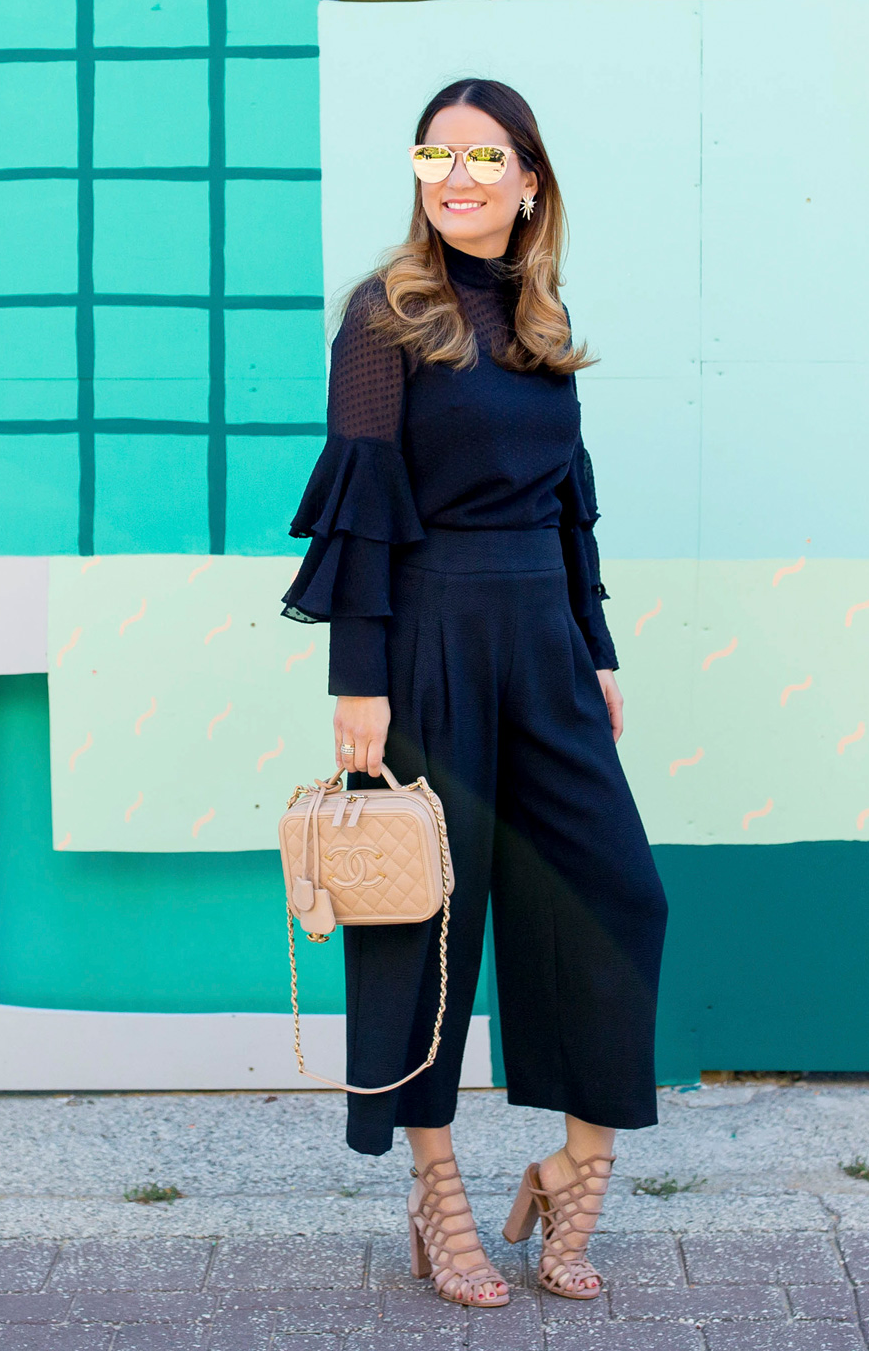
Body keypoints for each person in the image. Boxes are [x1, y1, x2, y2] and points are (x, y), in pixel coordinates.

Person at [281, 77, 669, 1308]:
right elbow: (360, 496)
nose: (456, 177)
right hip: (427, 640)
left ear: (528, 180)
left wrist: (595, 646)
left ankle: (573, 1168)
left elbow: (569, 505)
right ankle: (437, 1190)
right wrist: (358, 676)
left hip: (545, 648)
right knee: (424, 924)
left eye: (482, 157)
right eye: (436, 156)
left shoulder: (541, 322)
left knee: (618, 896)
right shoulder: (386, 315)